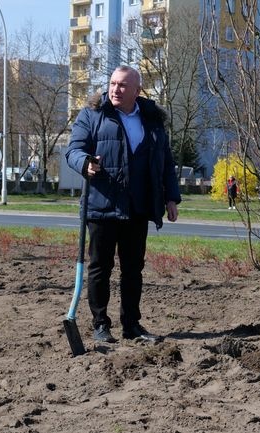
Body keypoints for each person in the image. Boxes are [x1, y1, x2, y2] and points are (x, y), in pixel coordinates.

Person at [66, 65, 181, 343]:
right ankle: (100, 325)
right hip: (102, 204)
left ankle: (131, 325)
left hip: (138, 207)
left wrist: (171, 197)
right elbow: (73, 150)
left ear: (137, 91)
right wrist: (85, 163)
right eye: (113, 83)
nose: (115, 89)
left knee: (133, 270)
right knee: (100, 268)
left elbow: (165, 162)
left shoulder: (152, 120)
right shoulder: (92, 115)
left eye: (122, 85)